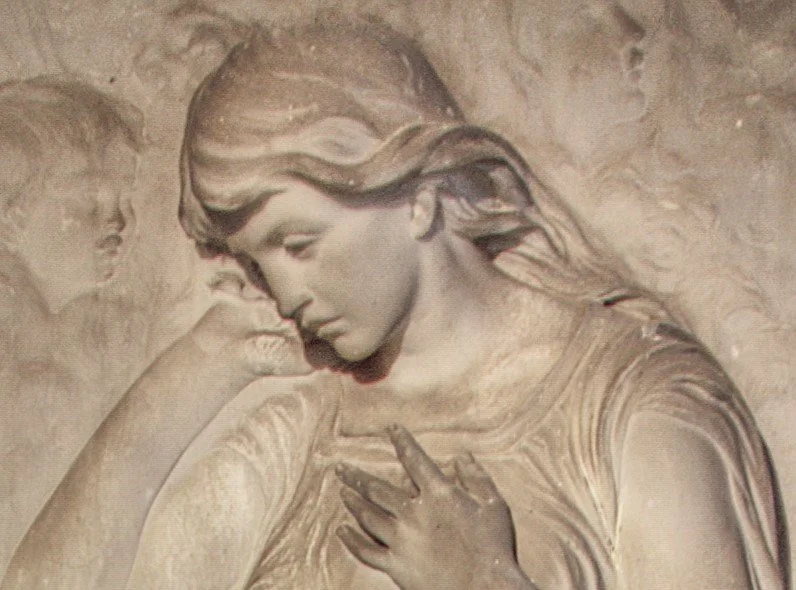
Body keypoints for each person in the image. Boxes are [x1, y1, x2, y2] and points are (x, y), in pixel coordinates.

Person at [4, 22, 788, 589]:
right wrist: (196, 369)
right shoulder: (305, 432)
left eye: (299, 243)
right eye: (254, 261)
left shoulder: (635, 406)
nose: (283, 291)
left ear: (415, 198)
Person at [0, 77, 145, 575]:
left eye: (124, 196)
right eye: (89, 198)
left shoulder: (93, 341)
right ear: (11, 217)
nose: (117, 220)